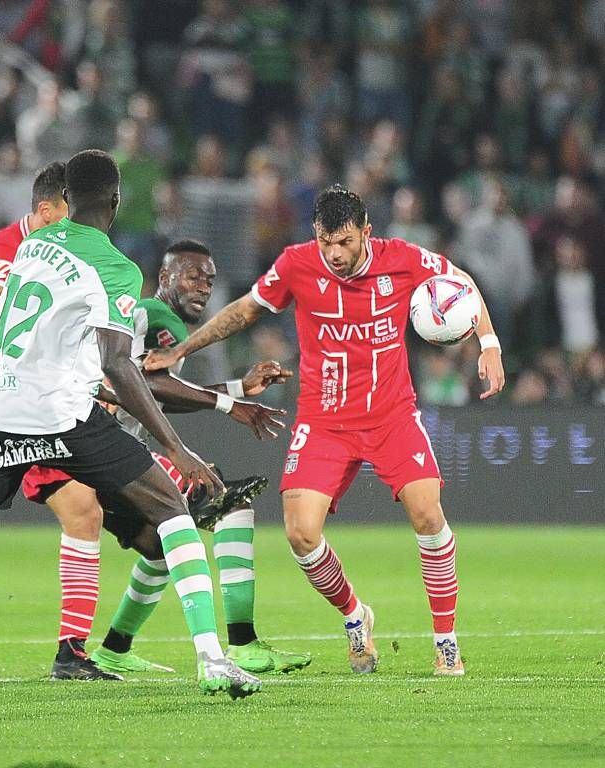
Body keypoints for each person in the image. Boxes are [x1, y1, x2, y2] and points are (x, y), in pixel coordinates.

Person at [0, 149, 262, 706]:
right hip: (58, 416)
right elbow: (118, 360)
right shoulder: (116, 266)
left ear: (66, 198)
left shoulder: (32, 245)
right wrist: (177, 447)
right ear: (114, 202)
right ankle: (213, 660)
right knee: (171, 507)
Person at [145, 184, 506, 677]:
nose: (334, 254)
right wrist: (180, 352)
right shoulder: (297, 264)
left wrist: (489, 342)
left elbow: (459, 279)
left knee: (427, 514)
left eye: (344, 243)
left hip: (392, 416)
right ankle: (356, 618)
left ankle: (446, 642)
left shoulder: (402, 259)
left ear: (366, 234)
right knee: (300, 533)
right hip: (324, 420)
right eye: (325, 242)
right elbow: (246, 310)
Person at [90, 239, 311, 675]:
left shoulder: (147, 319)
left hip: (102, 451)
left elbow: (155, 395)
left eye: (209, 280)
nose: (204, 287)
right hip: (108, 450)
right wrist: (232, 406)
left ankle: (114, 648)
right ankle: (242, 643)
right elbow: (149, 385)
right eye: (193, 276)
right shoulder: (157, 317)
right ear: (165, 278)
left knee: (160, 546)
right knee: (229, 502)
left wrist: (237, 389)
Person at [0, 161, 117, 681]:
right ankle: (72, 654)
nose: (74, 232)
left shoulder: (42, 248)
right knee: (84, 511)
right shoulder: (6, 250)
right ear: (46, 210)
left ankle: (74, 651)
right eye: (67, 218)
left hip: (26, 393)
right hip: (1, 396)